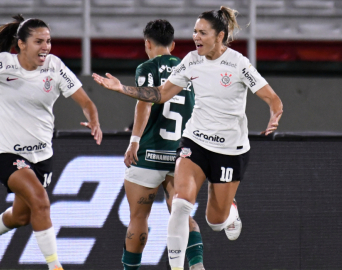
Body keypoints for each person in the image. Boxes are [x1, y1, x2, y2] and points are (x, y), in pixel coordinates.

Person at [93, 6, 283, 270]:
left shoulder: (238, 63)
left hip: (230, 149)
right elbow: (160, 94)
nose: (196, 37)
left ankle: (229, 210)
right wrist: (122, 88)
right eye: (194, 31)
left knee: (215, 221)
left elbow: (272, 98)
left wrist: (275, 113)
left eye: (202, 32)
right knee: (181, 204)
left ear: (220, 36)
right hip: (194, 142)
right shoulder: (191, 61)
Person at [0, 15, 103, 270]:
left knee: (22, 216)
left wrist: (94, 121)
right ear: (21, 44)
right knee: (40, 201)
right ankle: (55, 267)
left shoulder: (55, 66)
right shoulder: (2, 64)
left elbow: (86, 103)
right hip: (5, 153)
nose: (46, 47)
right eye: (39, 41)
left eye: (49, 41)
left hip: (42, 156)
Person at [121, 20, 204, 270]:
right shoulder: (189, 68)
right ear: (174, 44)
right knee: (181, 215)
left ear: (147, 43)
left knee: (138, 218)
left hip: (148, 153)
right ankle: (197, 265)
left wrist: (134, 141)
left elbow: (144, 103)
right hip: (181, 155)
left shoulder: (147, 67)